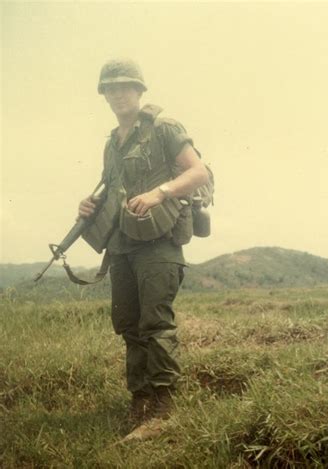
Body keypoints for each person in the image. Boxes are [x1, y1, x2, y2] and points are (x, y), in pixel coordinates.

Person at [78, 59, 209, 440]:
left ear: (139, 90)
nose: (118, 94)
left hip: (158, 242)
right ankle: (141, 402)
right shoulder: (112, 143)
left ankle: (164, 410)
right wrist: (89, 205)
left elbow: (198, 172)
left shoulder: (164, 127)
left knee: (155, 324)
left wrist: (159, 192)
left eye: (125, 86)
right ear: (104, 95)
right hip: (121, 246)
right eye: (110, 88)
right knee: (128, 326)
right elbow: (112, 189)